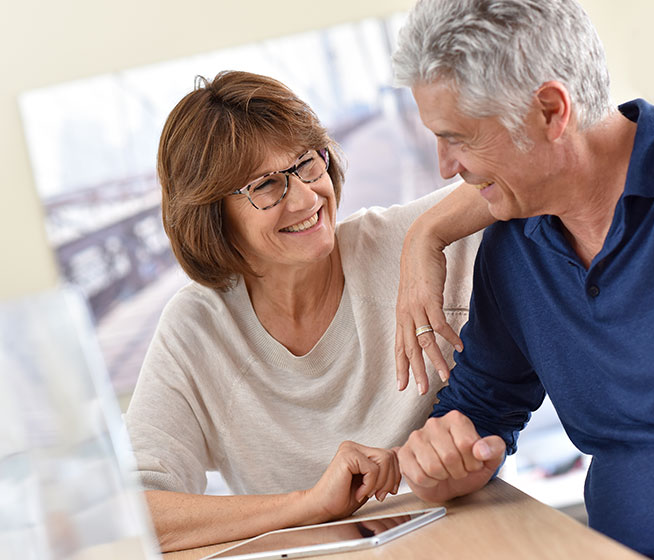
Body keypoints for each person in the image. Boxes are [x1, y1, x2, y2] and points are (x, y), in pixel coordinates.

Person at [390, 1, 654, 559]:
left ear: (551, 112)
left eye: (458, 137)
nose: (445, 167)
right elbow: (481, 410)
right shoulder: (514, 247)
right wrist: (442, 464)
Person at [123, 70, 491, 551]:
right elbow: (132, 516)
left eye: (306, 164)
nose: (305, 198)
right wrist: (308, 504)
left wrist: (428, 236)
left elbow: (533, 164)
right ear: (212, 214)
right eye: (266, 186)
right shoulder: (198, 327)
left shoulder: (403, 243)